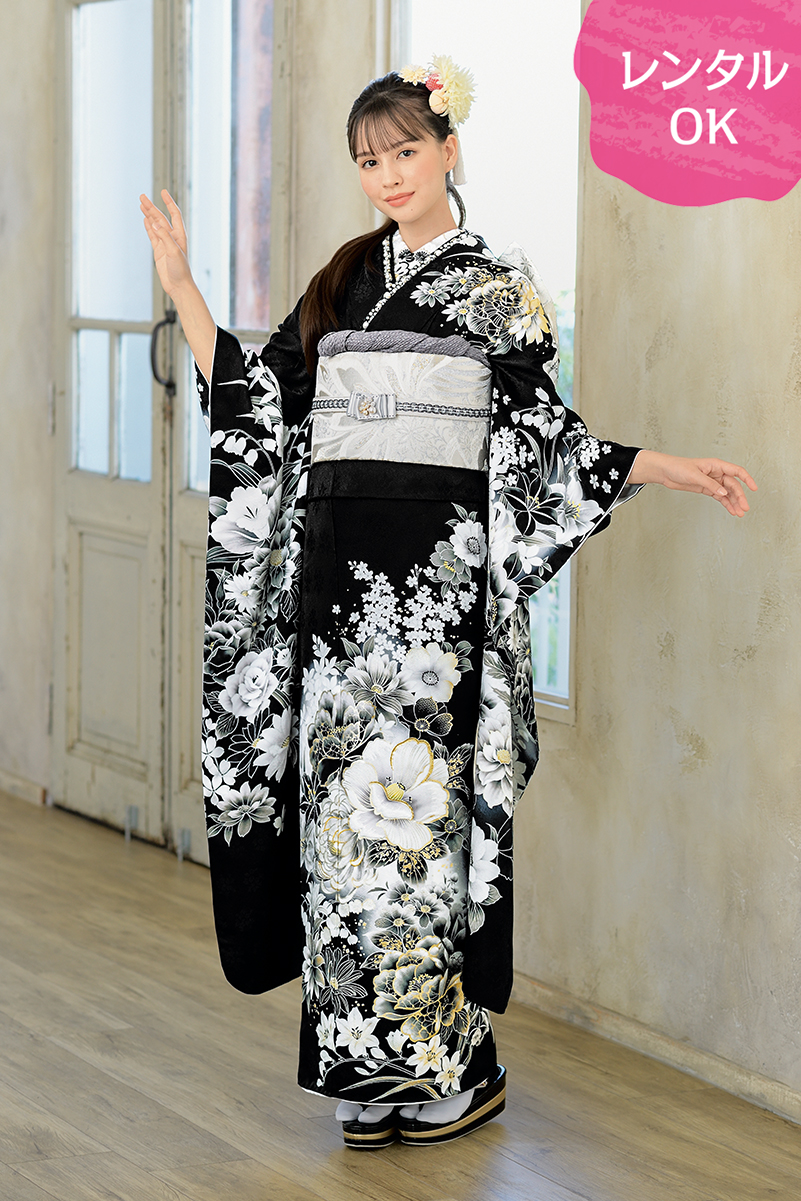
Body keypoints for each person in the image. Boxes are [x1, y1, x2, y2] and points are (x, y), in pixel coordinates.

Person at [140, 56, 756, 1150]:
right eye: (367, 160)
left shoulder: (497, 289)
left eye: (405, 151)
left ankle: (450, 1073)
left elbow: (543, 442)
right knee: (344, 850)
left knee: (418, 846)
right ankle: (364, 1080)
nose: (387, 175)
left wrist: (660, 466)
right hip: (337, 615)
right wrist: (183, 285)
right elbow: (262, 409)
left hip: (433, 616)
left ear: (448, 149)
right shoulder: (342, 279)